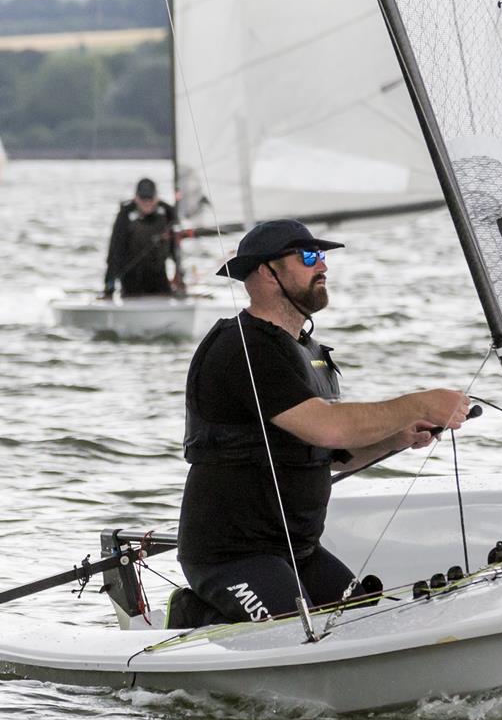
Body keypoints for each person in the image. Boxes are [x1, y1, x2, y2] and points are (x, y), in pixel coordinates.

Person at [171, 218, 470, 629]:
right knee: (296, 633)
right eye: (309, 256)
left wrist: (396, 437)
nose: (323, 266)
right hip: (230, 554)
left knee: (364, 621)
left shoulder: (308, 352)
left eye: (322, 255)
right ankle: (196, 613)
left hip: (297, 549)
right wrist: (419, 402)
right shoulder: (244, 347)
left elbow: (330, 454)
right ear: (267, 272)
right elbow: (327, 427)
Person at [103, 177, 184, 299]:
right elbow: (115, 252)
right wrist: (109, 284)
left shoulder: (168, 212)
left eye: (150, 198)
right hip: (131, 283)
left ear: (156, 197)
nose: (147, 203)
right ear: (136, 197)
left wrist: (180, 276)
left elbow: (176, 250)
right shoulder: (125, 215)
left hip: (159, 280)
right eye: (143, 199)